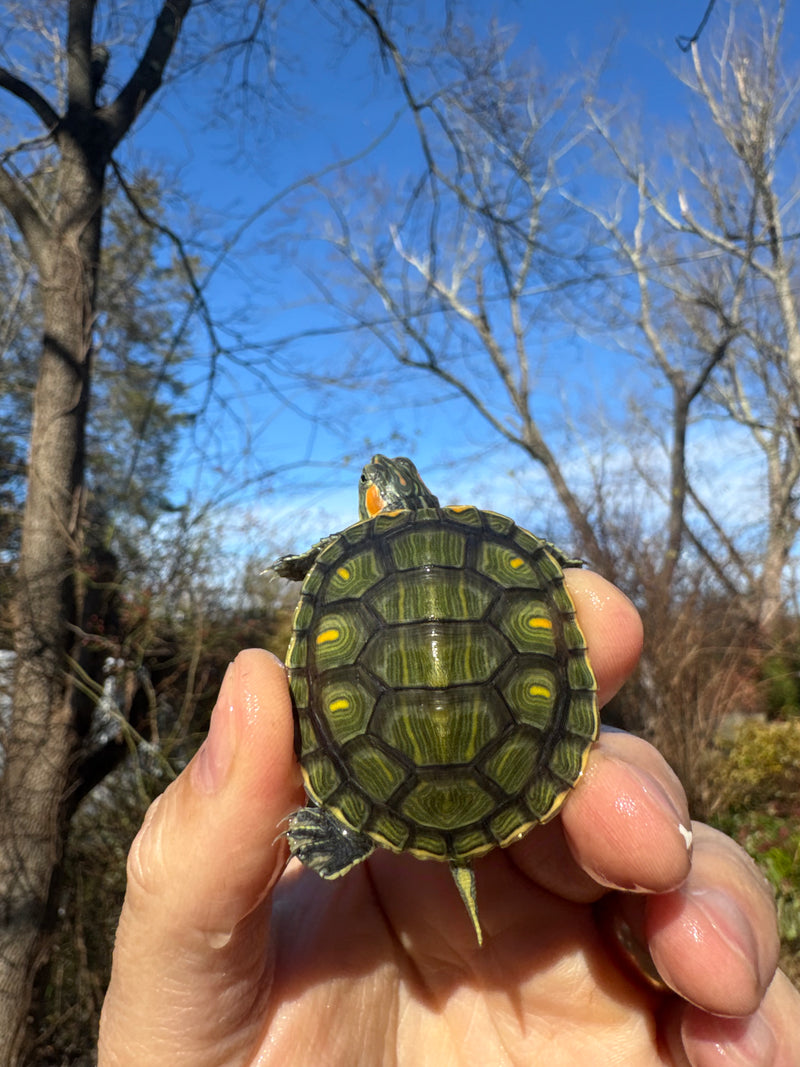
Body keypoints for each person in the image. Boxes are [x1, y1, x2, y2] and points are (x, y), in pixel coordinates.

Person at [98, 571, 800, 1065]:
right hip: (491, 784)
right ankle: (358, 829)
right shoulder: (498, 559)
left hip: (381, 801)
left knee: (627, 819)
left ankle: (354, 828)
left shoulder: (350, 567)